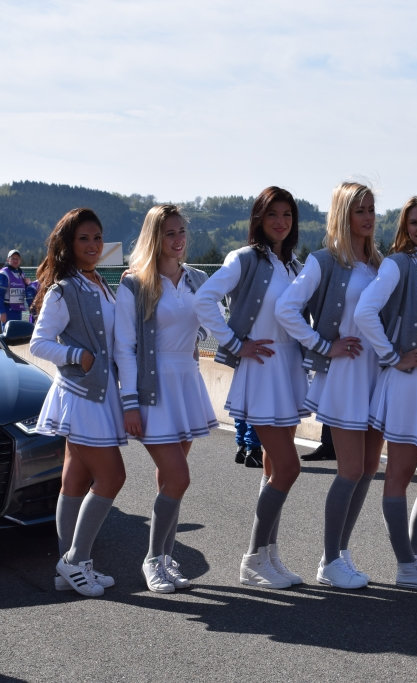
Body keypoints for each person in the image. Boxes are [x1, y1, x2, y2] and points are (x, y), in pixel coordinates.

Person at [195, 186, 308, 589]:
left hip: (290, 369)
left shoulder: (295, 264)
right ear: (258, 219)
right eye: (272, 214)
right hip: (262, 370)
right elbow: (204, 300)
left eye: (287, 215)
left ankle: (269, 556)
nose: (280, 222)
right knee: (289, 466)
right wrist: (234, 343)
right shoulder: (243, 258)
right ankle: (252, 559)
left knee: (275, 467)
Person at [275, 181, 383, 590]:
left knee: (368, 469)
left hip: (378, 372)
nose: (368, 217)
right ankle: (330, 559)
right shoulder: (323, 261)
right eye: (359, 210)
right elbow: (287, 308)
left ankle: (341, 552)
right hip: (346, 374)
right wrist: (323, 345)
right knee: (350, 469)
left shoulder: (380, 263)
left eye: (371, 209)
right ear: (342, 214)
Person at [353, 194, 417, 590]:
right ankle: (406, 565)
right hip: (410, 381)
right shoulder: (397, 264)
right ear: (404, 227)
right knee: (399, 473)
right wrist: (393, 356)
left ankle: (413, 557)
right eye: (414, 222)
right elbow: (365, 312)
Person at [114, 204, 219, 594]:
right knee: (178, 477)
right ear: (154, 238)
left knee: (169, 480)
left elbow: (213, 325)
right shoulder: (134, 283)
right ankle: (152, 560)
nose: (178, 240)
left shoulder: (196, 278)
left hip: (187, 383)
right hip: (152, 389)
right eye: (169, 233)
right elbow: (124, 348)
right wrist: (129, 402)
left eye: (181, 232)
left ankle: (165, 558)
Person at [29, 208, 126, 598]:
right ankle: (75, 560)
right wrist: (77, 356)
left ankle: (71, 567)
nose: (93, 245)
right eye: (84, 238)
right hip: (82, 396)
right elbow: (39, 344)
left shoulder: (100, 282)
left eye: (97, 237)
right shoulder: (63, 289)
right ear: (68, 244)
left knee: (73, 479)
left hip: (99, 393)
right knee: (112, 477)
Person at [0, 249, 31, 331]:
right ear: (8, 260)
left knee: (17, 335)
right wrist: (2, 312)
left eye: (17, 258)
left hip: (18, 310)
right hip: (7, 310)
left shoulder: (21, 274)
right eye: (13, 258)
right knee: (8, 335)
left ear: (20, 260)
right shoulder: (3, 274)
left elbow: (25, 291)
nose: (15, 260)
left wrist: (28, 284)